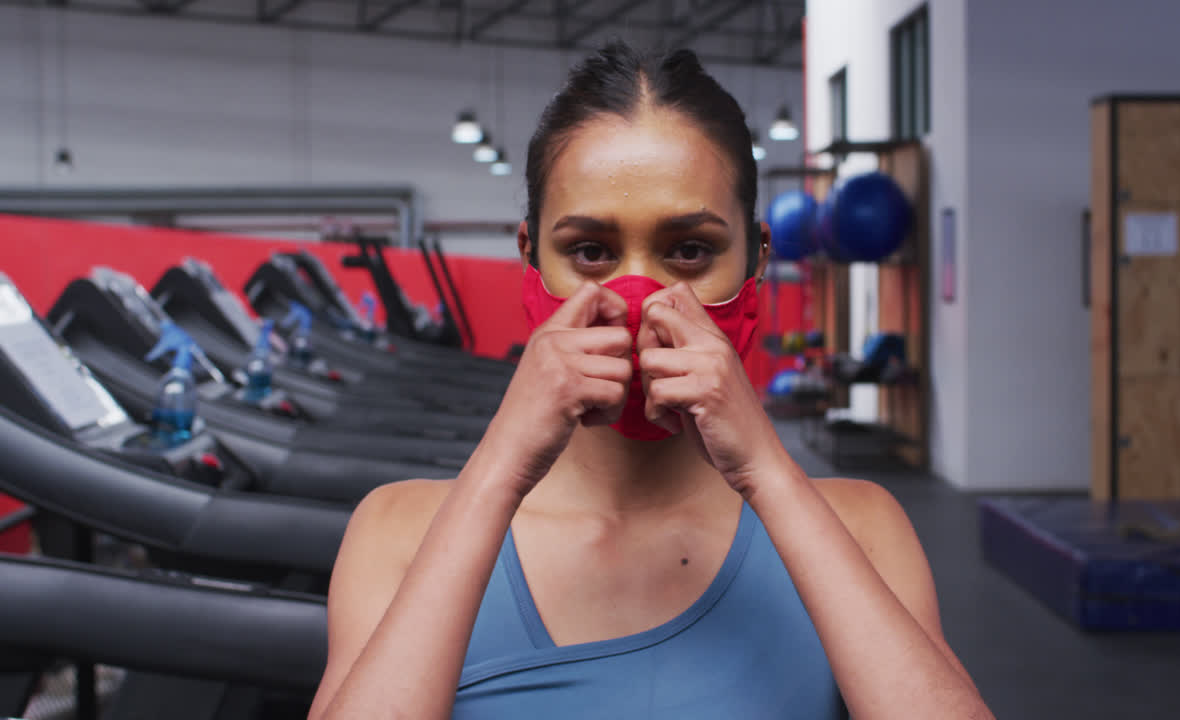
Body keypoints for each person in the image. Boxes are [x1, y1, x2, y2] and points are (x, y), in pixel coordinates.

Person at [309, 41, 993, 720]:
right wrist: (500, 468)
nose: (639, 299)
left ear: (756, 258)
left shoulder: (860, 528)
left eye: (690, 251)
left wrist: (767, 475)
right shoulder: (395, 534)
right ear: (530, 258)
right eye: (591, 252)